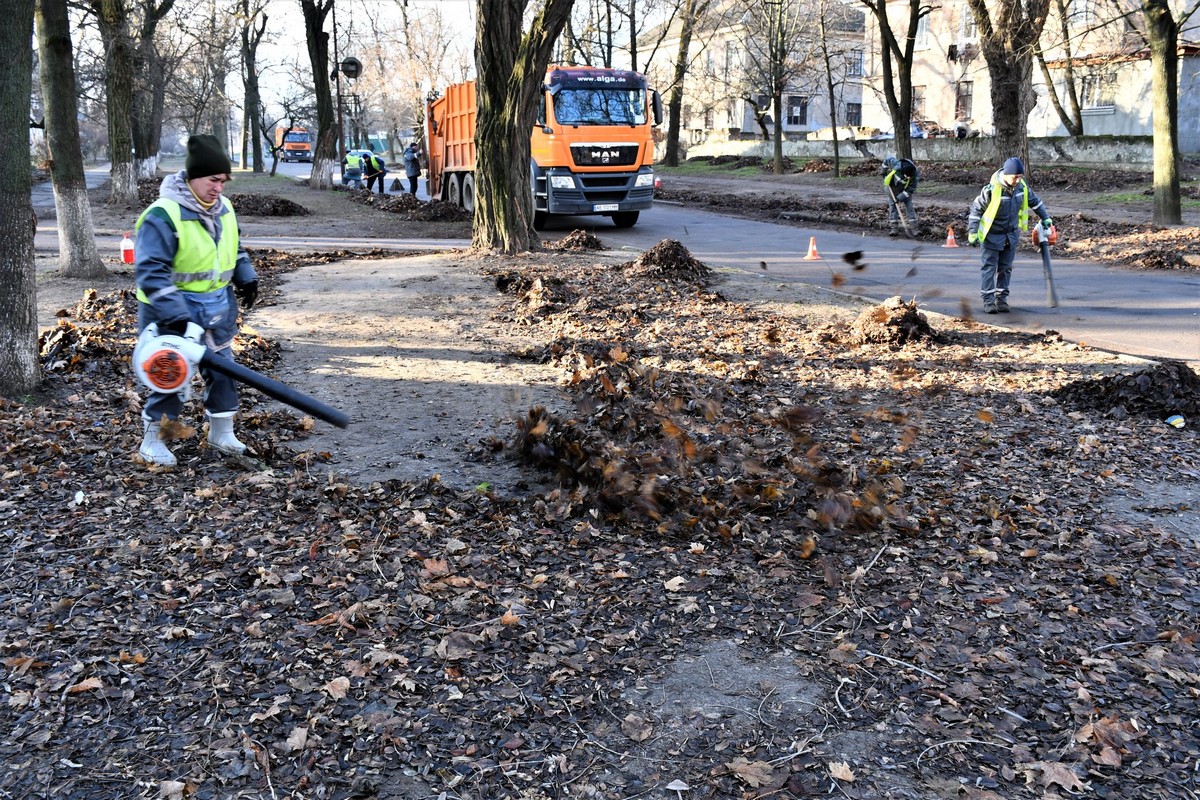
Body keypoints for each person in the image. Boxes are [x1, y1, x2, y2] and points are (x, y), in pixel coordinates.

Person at [134, 134, 259, 466]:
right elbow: (151, 271)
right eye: (212, 180)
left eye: (223, 181)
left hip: (216, 308)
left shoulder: (225, 209)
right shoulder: (163, 215)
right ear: (191, 177)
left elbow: (235, 247)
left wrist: (245, 273)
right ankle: (154, 441)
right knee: (169, 377)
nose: (219, 187)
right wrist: (178, 315)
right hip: (169, 312)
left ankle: (221, 433)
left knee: (224, 372)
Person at [966, 157, 1052, 314]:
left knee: (1006, 268)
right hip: (991, 235)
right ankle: (989, 301)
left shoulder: (1022, 188)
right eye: (1015, 177)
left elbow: (1036, 202)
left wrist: (1045, 217)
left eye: (1020, 177)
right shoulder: (991, 190)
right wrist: (972, 232)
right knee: (989, 268)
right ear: (1006, 174)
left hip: (1010, 235)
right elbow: (976, 210)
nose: (1017, 180)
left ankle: (1002, 299)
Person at [882, 155, 919, 236]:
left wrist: (900, 198)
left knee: (910, 208)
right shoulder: (896, 164)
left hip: (905, 191)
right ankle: (894, 229)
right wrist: (884, 171)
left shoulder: (915, 175)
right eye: (907, 176)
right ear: (903, 172)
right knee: (893, 207)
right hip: (892, 188)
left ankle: (914, 229)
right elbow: (886, 160)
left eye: (910, 177)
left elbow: (911, 188)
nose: (909, 178)